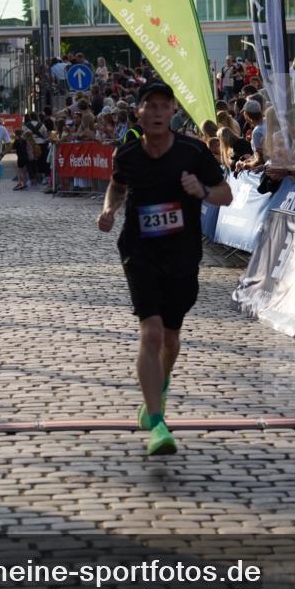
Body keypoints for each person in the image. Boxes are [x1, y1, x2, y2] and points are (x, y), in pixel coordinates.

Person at [96, 82, 232, 457]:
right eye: (149, 106)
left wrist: (201, 191)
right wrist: (108, 210)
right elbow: (117, 188)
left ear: (173, 111)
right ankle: (157, 424)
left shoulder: (193, 152)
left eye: (163, 106)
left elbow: (227, 195)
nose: (156, 112)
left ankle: (162, 383)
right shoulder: (127, 155)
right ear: (138, 112)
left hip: (183, 255)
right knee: (151, 333)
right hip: (139, 251)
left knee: (170, 340)